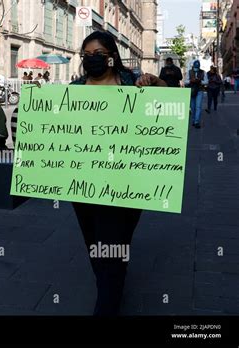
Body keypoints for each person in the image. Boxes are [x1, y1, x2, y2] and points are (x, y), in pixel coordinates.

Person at [71, 31, 167, 316]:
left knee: (113, 243)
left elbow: (173, 95)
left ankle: (107, 303)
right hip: (83, 186)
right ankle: (109, 286)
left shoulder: (132, 84)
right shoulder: (74, 90)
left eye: (99, 54)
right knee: (95, 244)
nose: (93, 60)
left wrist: (155, 81)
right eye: (87, 55)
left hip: (127, 184)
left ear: (112, 56)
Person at [184, 60, 208, 128]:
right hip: (192, 91)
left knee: (198, 107)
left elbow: (206, 82)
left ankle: (196, 121)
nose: (196, 69)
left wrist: (200, 81)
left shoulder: (203, 72)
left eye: (197, 68)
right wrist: (190, 81)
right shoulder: (189, 72)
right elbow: (185, 82)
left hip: (199, 90)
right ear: (193, 66)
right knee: (192, 107)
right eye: (195, 67)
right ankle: (193, 120)